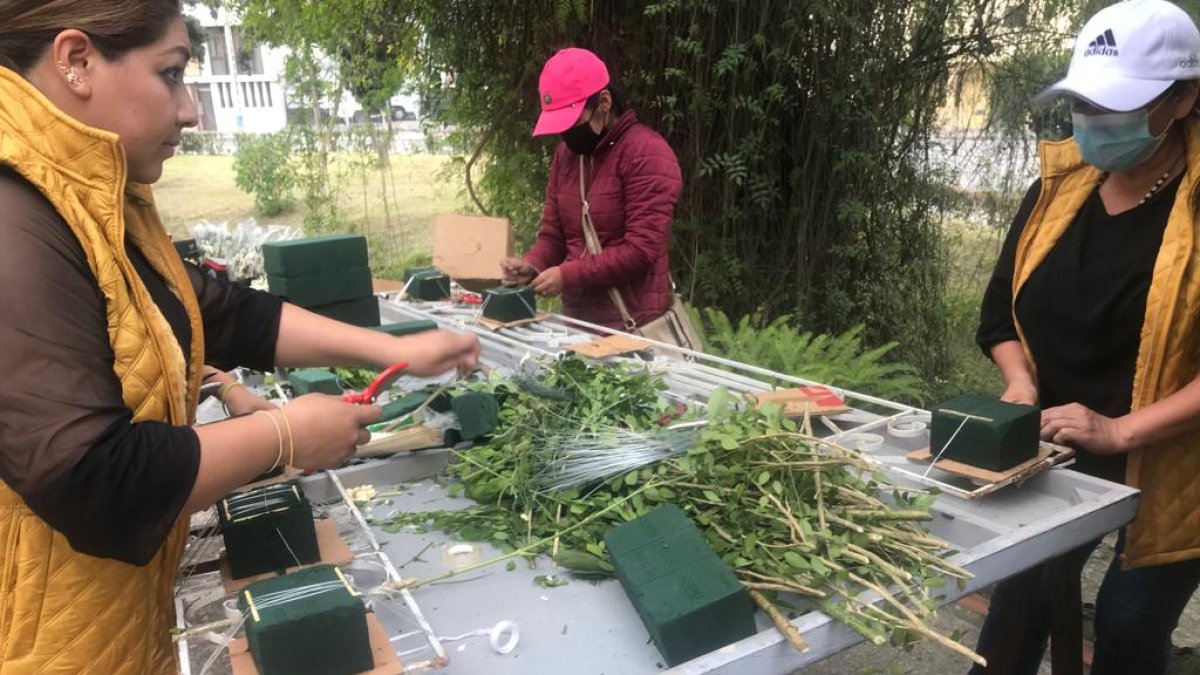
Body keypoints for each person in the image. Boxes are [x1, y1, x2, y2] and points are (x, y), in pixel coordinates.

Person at [0, 2, 480, 672]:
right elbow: (91, 480)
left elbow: (220, 313)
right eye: (171, 74)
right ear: (77, 61)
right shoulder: (16, 213)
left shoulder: (97, 194)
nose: (189, 111)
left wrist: (394, 349)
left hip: (114, 625)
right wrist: (282, 436)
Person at [974, 1, 1200, 673]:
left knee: (1128, 631)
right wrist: (1020, 382)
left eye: (1116, 104)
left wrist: (1121, 430)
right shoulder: (1060, 188)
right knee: (1016, 615)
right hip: (1055, 450)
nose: (1094, 120)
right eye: (1083, 102)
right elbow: (999, 314)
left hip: (1173, 463)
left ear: (1184, 98)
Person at [500, 47, 684, 332]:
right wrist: (532, 265)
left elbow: (640, 251)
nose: (567, 134)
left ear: (604, 102)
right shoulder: (566, 156)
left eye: (573, 122)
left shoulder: (647, 154)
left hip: (634, 327)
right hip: (578, 324)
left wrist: (567, 275)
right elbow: (554, 235)